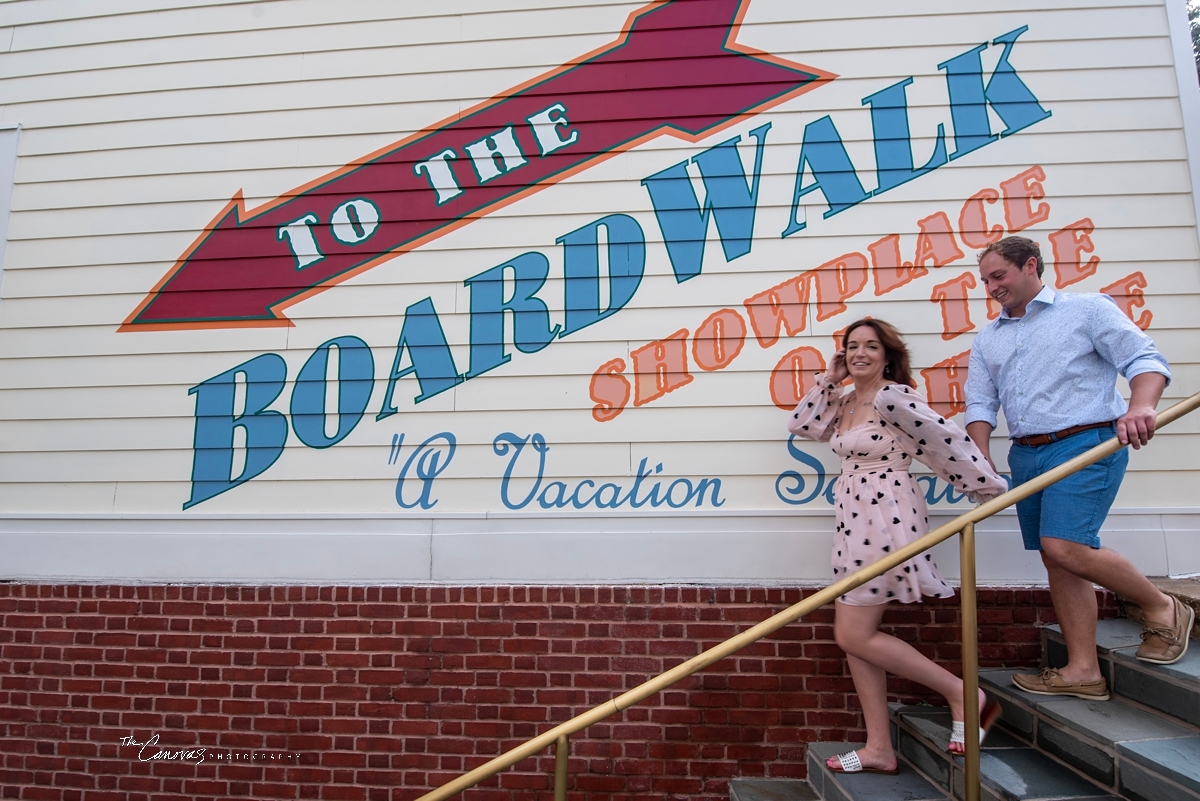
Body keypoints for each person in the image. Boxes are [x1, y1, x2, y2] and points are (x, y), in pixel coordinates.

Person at [965, 236, 1185, 702]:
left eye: (998, 276)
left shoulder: (1086, 309)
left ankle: (1161, 606)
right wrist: (980, 452)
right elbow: (981, 401)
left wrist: (1140, 406)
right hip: (1027, 454)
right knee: (1058, 556)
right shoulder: (989, 336)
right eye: (985, 280)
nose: (991, 287)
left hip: (1088, 443)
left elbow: (1144, 360)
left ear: (1030, 266)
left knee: (1062, 544)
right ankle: (1083, 669)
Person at [789, 318, 1008, 775]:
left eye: (871, 347)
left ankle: (965, 695)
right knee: (857, 639)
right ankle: (879, 749)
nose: (859, 354)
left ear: (888, 355)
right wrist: (829, 380)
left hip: (887, 514)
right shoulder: (847, 398)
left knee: (852, 632)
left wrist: (989, 488)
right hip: (854, 516)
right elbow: (805, 426)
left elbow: (945, 440)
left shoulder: (894, 396)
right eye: (851, 347)